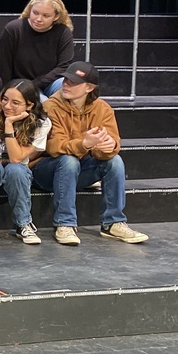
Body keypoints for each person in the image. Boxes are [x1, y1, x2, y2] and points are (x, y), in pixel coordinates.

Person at [33, 62, 149, 246]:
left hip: (77, 170)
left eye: (73, 82)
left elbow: (112, 142)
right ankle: (65, 223)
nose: (66, 84)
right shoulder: (50, 107)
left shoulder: (102, 109)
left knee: (115, 161)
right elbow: (53, 147)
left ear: (89, 88)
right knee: (68, 161)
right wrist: (84, 144)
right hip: (45, 171)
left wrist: (107, 147)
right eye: (66, 79)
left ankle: (114, 222)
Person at [0, 79, 51, 245]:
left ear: (29, 105)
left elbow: (16, 158)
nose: (7, 106)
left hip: (14, 171)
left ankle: (23, 223)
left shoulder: (41, 124)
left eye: (15, 103)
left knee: (17, 169)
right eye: (5, 99)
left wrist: (9, 126)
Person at [0, 0, 74, 99]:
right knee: (43, 102)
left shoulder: (63, 32)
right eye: (35, 13)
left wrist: (38, 83)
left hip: (50, 82)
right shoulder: (14, 29)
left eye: (46, 16)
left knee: (70, 89)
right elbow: (4, 67)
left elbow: (63, 66)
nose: (38, 19)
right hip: (20, 85)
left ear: (56, 16)